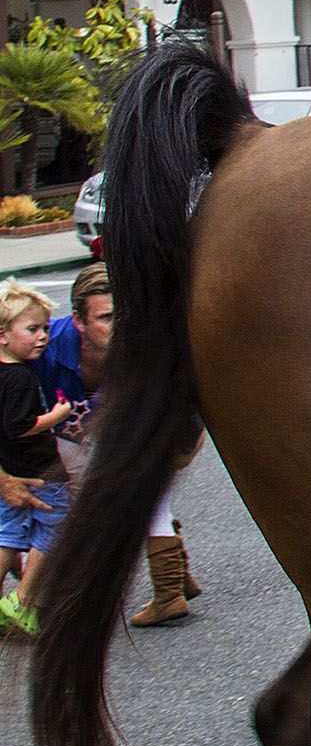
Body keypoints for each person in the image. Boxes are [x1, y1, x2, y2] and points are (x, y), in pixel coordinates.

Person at [34, 262, 202, 626]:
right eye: (107, 318)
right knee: (53, 501)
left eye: (124, 315)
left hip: (144, 424)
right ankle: (176, 576)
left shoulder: (145, 349)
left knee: (143, 485)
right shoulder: (46, 347)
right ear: (78, 320)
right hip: (67, 432)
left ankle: (169, 591)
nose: (120, 326)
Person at [0, 278, 72, 634]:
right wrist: (55, 417)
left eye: (45, 328)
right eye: (32, 329)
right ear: (3, 335)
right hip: (39, 471)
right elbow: (19, 425)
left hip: (9, 472)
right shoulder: (20, 378)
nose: (43, 336)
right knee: (56, 528)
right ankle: (22, 600)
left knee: (7, 536)